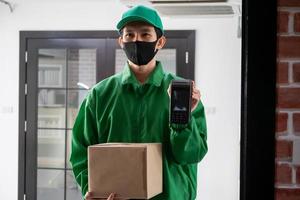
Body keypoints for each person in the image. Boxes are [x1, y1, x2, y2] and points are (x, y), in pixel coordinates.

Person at [70, 5, 208, 200]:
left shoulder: (184, 95)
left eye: (145, 35)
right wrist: (93, 189)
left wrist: (182, 123)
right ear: (121, 41)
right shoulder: (99, 95)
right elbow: (80, 153)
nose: (137, 41)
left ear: (160, 42)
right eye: (129, 35)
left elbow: (190, 155)